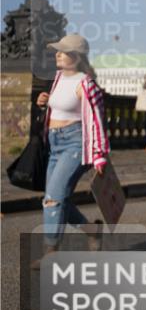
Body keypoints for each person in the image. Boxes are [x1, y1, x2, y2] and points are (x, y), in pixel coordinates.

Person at [34, 34, 109, 266]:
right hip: (55, 143)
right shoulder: (58, 78)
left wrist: (99, 156)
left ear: (76, 57)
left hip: (75, 144)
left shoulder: (85, 83)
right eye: (57, 50)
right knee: (55, 198)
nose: (57, 53)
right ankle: (92, 231)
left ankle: (51, 253)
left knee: (53, 200)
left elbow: (97, 121)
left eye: (63, 51)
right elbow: (60, 110)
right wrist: (43, 102)